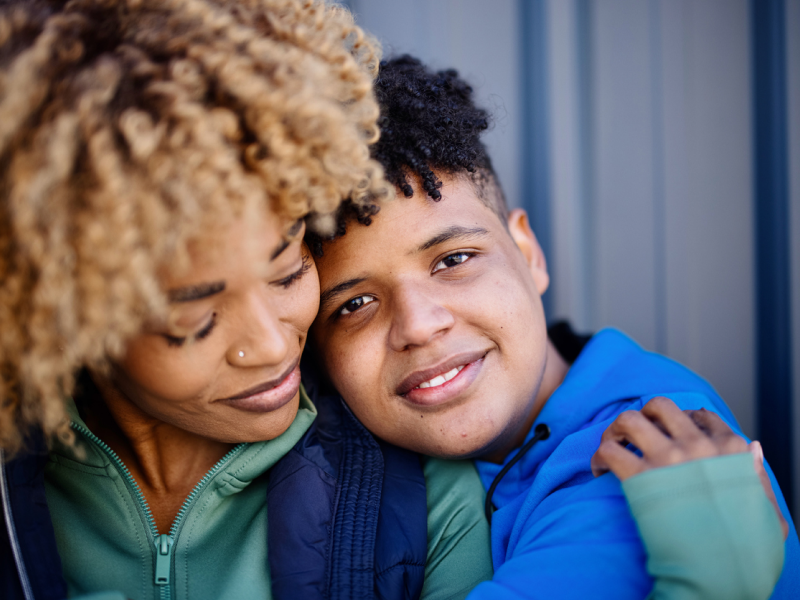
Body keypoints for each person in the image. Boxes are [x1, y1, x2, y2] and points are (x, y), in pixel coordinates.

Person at [0, 5, 492, 600]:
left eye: (287, 274)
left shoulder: (421, 498)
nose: (271, 344)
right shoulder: (13, 494)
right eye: (195, 319)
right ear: (65, 313)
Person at [308, 55, 800, 599]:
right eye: (355, 304)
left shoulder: (641, 464)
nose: (419, 326)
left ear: (528, 252)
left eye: (453, 260)